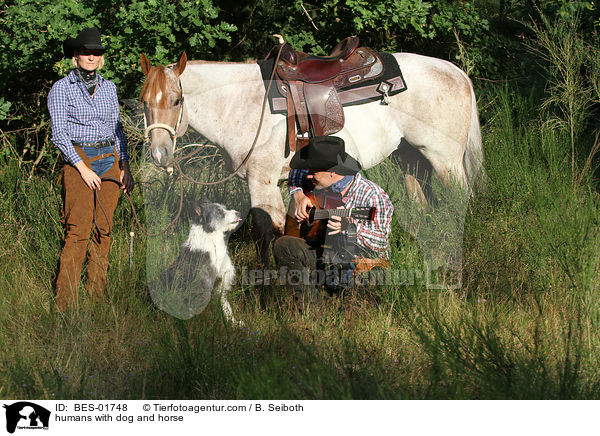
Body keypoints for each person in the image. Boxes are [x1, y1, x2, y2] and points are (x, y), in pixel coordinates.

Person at [47, 27, 134, 310]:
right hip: (79, 156)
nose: (91, 56)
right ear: (76, 55)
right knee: (78, 230)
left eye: (96, 52)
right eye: (86, 51)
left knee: (104, 229)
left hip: (109, 155)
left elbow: (118, 129)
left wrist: (125, 164)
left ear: (101, 57)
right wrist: (82, 168)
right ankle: (65, 303)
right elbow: (59, 134)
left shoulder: (109, 88)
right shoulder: (61, 88)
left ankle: (97, 296)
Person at [274, 135, 393, 299]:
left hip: (360, 265)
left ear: (332, 172)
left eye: (313, 171)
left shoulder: (370, 195)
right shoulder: (320, 183)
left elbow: (381, 243)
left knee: (356, 297)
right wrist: (298, 194)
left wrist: (351, 229)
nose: (308, 176)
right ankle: (311, 307)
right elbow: (296, 172)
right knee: (285, 245)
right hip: (327, 258)